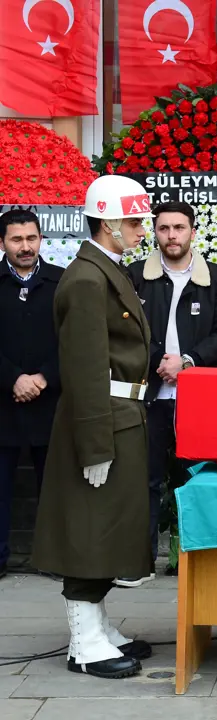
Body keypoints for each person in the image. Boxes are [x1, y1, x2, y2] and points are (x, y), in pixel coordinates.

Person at [30, 175, 154, 679]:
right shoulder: (86, 279)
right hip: (102, 419)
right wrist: (94, 444)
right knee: (90, 529)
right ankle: (84, 643)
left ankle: (98, 627)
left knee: (108, 529)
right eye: (134, 221)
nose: (141, 229)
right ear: (108, 223)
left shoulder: (102, 271)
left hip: (119, 416)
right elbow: (83, 369)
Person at [121, 200, 217, 588]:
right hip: (150, 395)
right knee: (144, 480)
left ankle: (203, 562)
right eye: (164, 228)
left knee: (198, 479)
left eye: (179, 228)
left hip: (198, 397)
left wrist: (188, 360)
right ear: (155, 233)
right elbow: (124, 332)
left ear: (192, 232)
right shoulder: (135, 276)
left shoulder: (216, 277)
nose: (171, 235)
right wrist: (161, 360)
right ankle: (139, 563)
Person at [0, 210, 63, 580]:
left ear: (41, 239)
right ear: (2, 243)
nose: (25, 247)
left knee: (55, 490)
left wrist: (42, 378)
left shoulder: (62, 282)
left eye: (31, 238)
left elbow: (75, 340)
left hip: (51, 404)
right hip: (3, 404)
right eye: (16, 239)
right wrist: (14, 379)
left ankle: (55, 560)